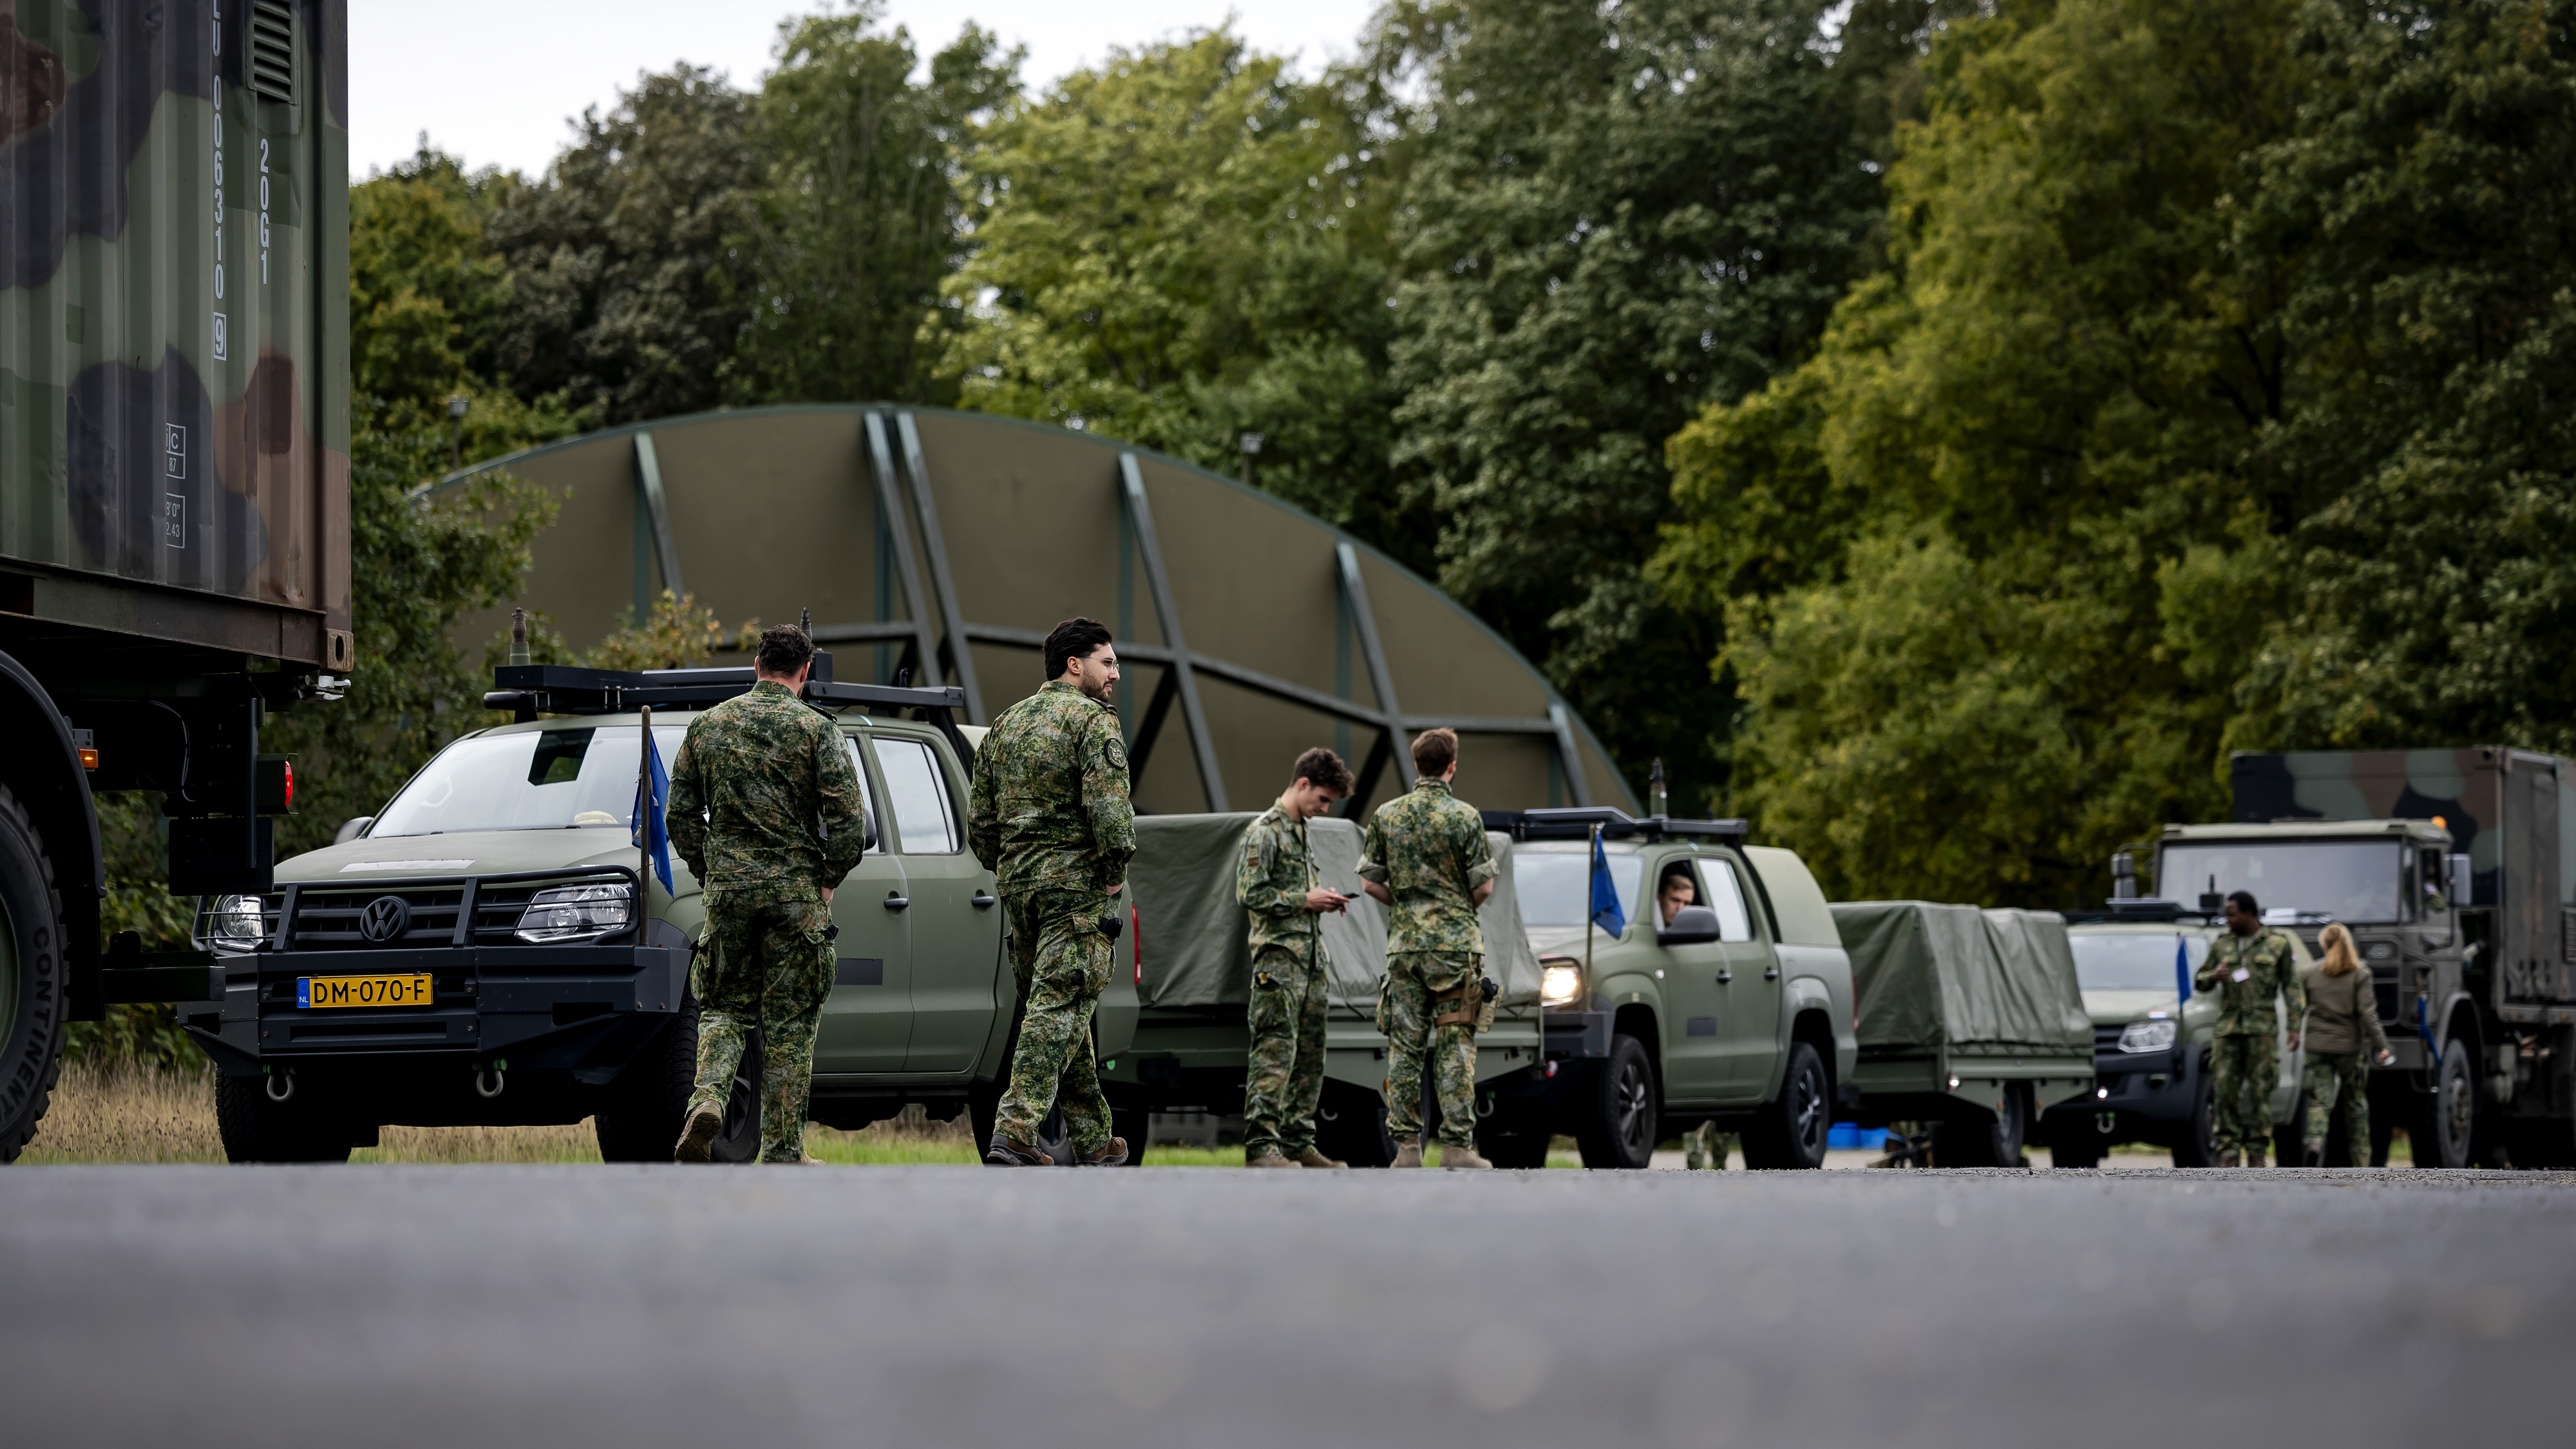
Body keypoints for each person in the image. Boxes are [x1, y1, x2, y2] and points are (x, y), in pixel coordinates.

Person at [667, 623, 871, 1163]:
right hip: (794, 899)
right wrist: (828, 879)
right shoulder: (817, 730)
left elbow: (679, 814)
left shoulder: (707, 726)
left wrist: (712, 872)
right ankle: (784, 1152)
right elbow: (850, 822)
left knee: (722, 1009)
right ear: (805, 672)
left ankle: (707, 1099)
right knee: (790, 1025)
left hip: (729, 895)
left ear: (756, 665)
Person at [968, 617, 1136, 1168]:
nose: (1116, 674)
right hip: (1076, 891)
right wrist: (1114, 871)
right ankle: (1015, 1131)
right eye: (1107, 663)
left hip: (1021, 891)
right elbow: (1112, 815)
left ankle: (1093, 1139)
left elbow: (980, 826)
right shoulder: (1093, 722)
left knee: (1061, 1006)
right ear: (1074, 664)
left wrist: (1012, 867)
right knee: (1057, 1007)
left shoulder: (1005, 724)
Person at [1359, 728, 1497, 1170]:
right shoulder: (1466, 817)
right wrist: (1453, 909)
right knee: (1455, 1046)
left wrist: (1406, 907)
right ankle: (1456, 1147)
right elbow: (1484, 887)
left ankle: (1407, 1149)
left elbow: (1369, 883)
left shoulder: (1386, 815)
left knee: (1405, 1048)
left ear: (1416, 765)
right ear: (1452, 766)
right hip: (1455, 949)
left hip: (1404, 949)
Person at [1238, 747, 1356, 1169]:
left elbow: (1295, 893)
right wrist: (1305, 900)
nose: (1324, 809)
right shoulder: (1265, 832)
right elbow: (1250, 893)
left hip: (1310, 963)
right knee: (1274, 1053)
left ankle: (1297, 1143)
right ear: (1303, 784)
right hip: (1279, 963)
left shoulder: (1300, 831)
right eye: (1322, 799)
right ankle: (1261, 1147)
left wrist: (1322, 900)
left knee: (1309, 1056)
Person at [2192, 890, 2306, 1167]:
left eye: (2232, 915)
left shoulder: (2277, 944)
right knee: (2224, 1091)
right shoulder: (2222, 944)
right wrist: (2213, 976)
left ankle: (2257, 1152)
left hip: (2262, 1031)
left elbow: (2292, 988)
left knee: (2260, 1092)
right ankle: (2228, 1152)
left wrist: (2294, 1027)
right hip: (2228, 1030)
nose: (2227, 920)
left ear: (2249, 913)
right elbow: (2200, 980)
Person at [1656, 864, 1740, 1172]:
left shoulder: (1698, 934)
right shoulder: (1649, 932)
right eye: (1675, 901)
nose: (1681, 910)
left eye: (1688, 904)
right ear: (1659, 898)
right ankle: (1700, 1148)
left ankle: (1714, 1150)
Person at [2299, 922, 2393, 1167]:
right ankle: (2361, 1159)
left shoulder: (2308, 973)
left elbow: (2298, 1008)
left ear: (2325, 945)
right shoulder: (2360, 974)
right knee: (2356, 1103)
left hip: (2317, 1047)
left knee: (2320, 1101)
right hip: (2349, 1049)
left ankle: (2314, 1143)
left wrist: (2293, 1034)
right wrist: (2381, 1045)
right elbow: (2367, 1013)